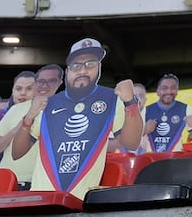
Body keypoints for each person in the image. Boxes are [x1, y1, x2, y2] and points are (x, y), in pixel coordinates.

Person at [12, 37, 142, 200]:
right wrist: (29, 117)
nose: (83, 71)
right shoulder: (48, 103)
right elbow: (17, 153)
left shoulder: (111, 99)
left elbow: (131, 143)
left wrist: (130, 102)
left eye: (90, 64)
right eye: (76, 66)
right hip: (41, 199)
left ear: (99, 68)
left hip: (81, 202)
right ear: (67, 72)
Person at [0, 67, 62, 188]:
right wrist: (22, 124)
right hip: (9, 182)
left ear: (59, 84)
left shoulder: (65, 110)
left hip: (44, 182)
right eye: (41, 82)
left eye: (52, 81)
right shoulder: (15, 109)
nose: (45, 86)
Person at [143, 73, 192, 153]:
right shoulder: (145, 111)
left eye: (173, 88)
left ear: (177, 90)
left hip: (175, 160)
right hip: (150, 161)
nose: (169, 91)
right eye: (164, 88)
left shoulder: (186, 109)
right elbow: (131, 141)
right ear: (157, 91)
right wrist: (144, 130)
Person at [108, 82, 152, 154]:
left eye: (140, 96)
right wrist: (143, 131)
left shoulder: (151, 118)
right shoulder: (116, 116)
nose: (137, 99)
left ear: (145, 100)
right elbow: (110, 145)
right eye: (133, 95)